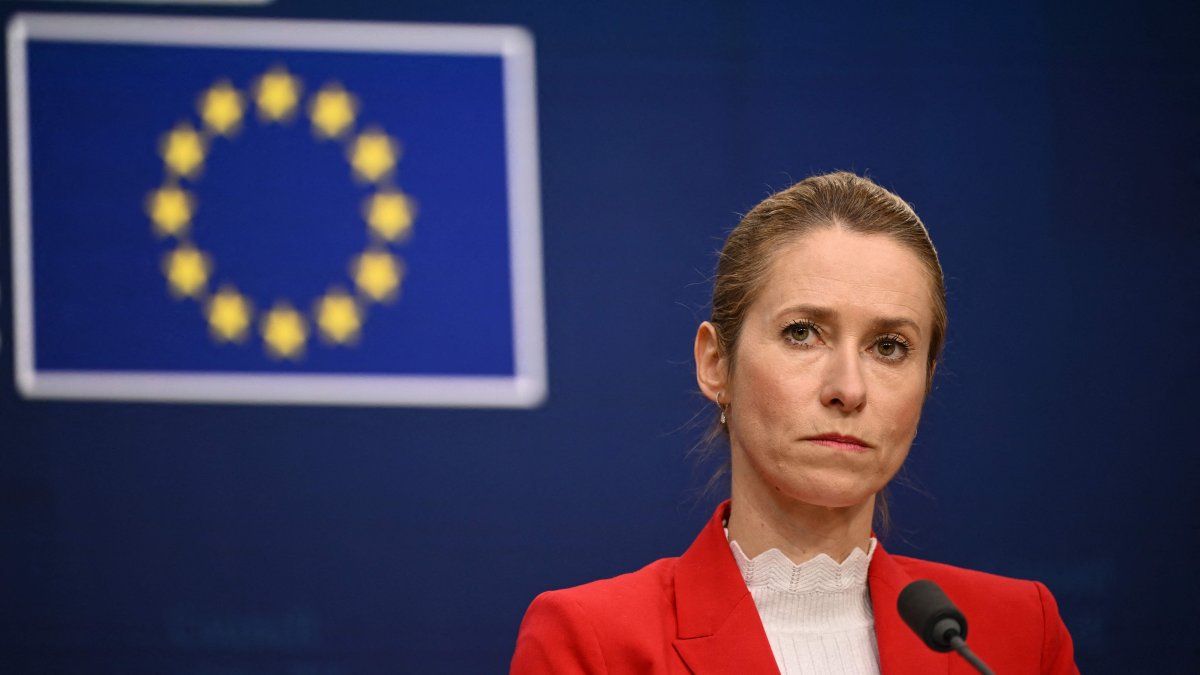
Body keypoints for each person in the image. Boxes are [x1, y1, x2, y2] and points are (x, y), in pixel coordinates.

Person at [511, 172, 1078, 674]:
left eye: (889, 346)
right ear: (716, 364)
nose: (848, 390)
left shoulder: (1017, 635)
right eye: (802, 332)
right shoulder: (593, 642)